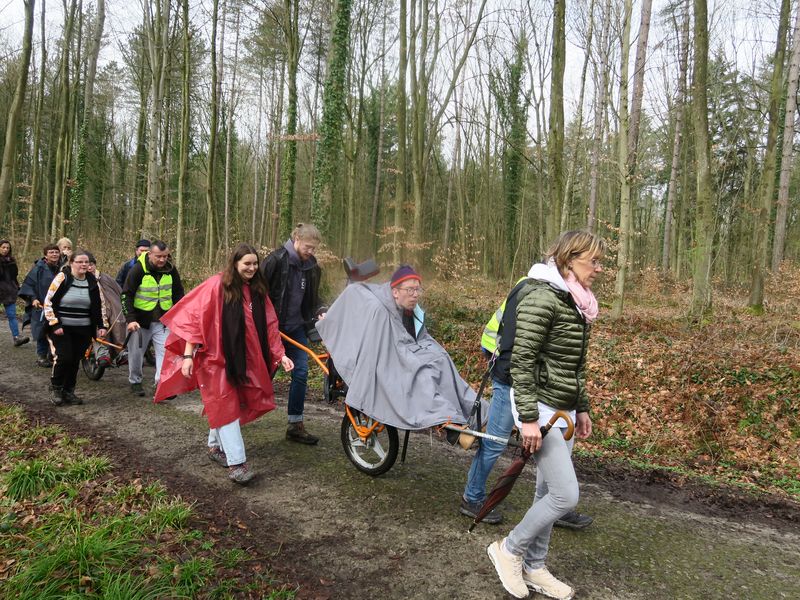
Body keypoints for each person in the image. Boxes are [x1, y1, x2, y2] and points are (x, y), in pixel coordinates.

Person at [487, 230, 604, 600]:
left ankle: (535, 566)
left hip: (564, 408)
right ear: (570, 260)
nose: (599, 269)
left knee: (547, 492)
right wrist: (528, 419)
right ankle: (508, 549)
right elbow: (522, 362)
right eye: (594, 261)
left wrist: (581, 407)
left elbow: (574, 366)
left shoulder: (577, 301)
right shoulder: (542, 295)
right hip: (541, 409)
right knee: (565, 496)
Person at [461, 273, 594, 530]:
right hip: (511, 379)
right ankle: (472, 496)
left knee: (554, 446)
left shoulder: (569, 295)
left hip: (542, 385)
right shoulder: (531, 290)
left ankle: (556, 505)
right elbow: (515, 342)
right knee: (495, 442)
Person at [154, 244, 294, 484]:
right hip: (215, 359)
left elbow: (270, 326)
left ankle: (214, 447)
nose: (251, 268)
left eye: (254, 263)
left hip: (247, 360)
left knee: (229, 405)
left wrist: (280, 354)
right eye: (246, 264)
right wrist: (188, 356)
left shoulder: (257, 290)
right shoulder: (216, 286)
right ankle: (237, 464)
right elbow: (194, 320)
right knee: (225, 405)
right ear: (235, 264)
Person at [261, 223, 326, 445]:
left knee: (301, 372)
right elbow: (257, 294)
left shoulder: (312, 266)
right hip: (271, 329)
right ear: (296, 238)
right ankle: (234, 420)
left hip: (296, 328)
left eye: (314, 249)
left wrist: (321, 310)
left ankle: (295, 424)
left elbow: (314, 298)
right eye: (308, 247)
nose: (311, 252)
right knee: (262, 375)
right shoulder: (276, 261)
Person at [43, 250, 108, 406]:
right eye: (80, 262)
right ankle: (56, 388)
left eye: (87, 262)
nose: (84, 265)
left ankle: (68, 391)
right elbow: (48, 301)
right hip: (62, 328)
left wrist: (101, 325)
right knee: (64, 357)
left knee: (75, 360)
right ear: (71, 263)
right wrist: (55, 323)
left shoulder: (92, 281)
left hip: (83, 328)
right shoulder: (63, 277)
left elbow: (98, 305)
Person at [121, 239, 185, 397]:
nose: (162, 260)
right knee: (136, 354)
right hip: (140, 321)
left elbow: (178, 294)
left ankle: (161, 384)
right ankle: (135, 381)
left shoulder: (171, 270)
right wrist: (130, 319)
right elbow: (126, 295)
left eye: (165, 256)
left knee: (165, 353)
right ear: (150, 254)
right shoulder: (138, 270)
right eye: (158, 256)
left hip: (163, 321)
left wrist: (180, 315)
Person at [19, 243, 62, 366]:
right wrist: (33, 298)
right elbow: (29, 285)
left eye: (56, 252)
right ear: (45, 255)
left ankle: (52, 354)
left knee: (56, 330)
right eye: (51, 252)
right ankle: (41, 356)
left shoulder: (62, 268)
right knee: (42, 331)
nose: (54, 254)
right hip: (41, 306)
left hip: (57, 306)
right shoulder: (39, 268)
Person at [87, 252, 126, 367]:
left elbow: (119, 291)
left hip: (112, 309)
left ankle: (121, 353)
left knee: (119, 328)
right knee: (98, 330)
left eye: (91, 264)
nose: (89, 267)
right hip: (95, 311)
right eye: (87, 265)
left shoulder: (105, 278)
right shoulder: (83, 279)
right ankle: (102, 355)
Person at [0, 239, 30, 347]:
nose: (5, 249)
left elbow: (14, 277)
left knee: (12, 315)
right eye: (3, 247)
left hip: (9, 291)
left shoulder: (11, 260)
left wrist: (17, 287)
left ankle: (16, 337)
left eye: (7, 248)